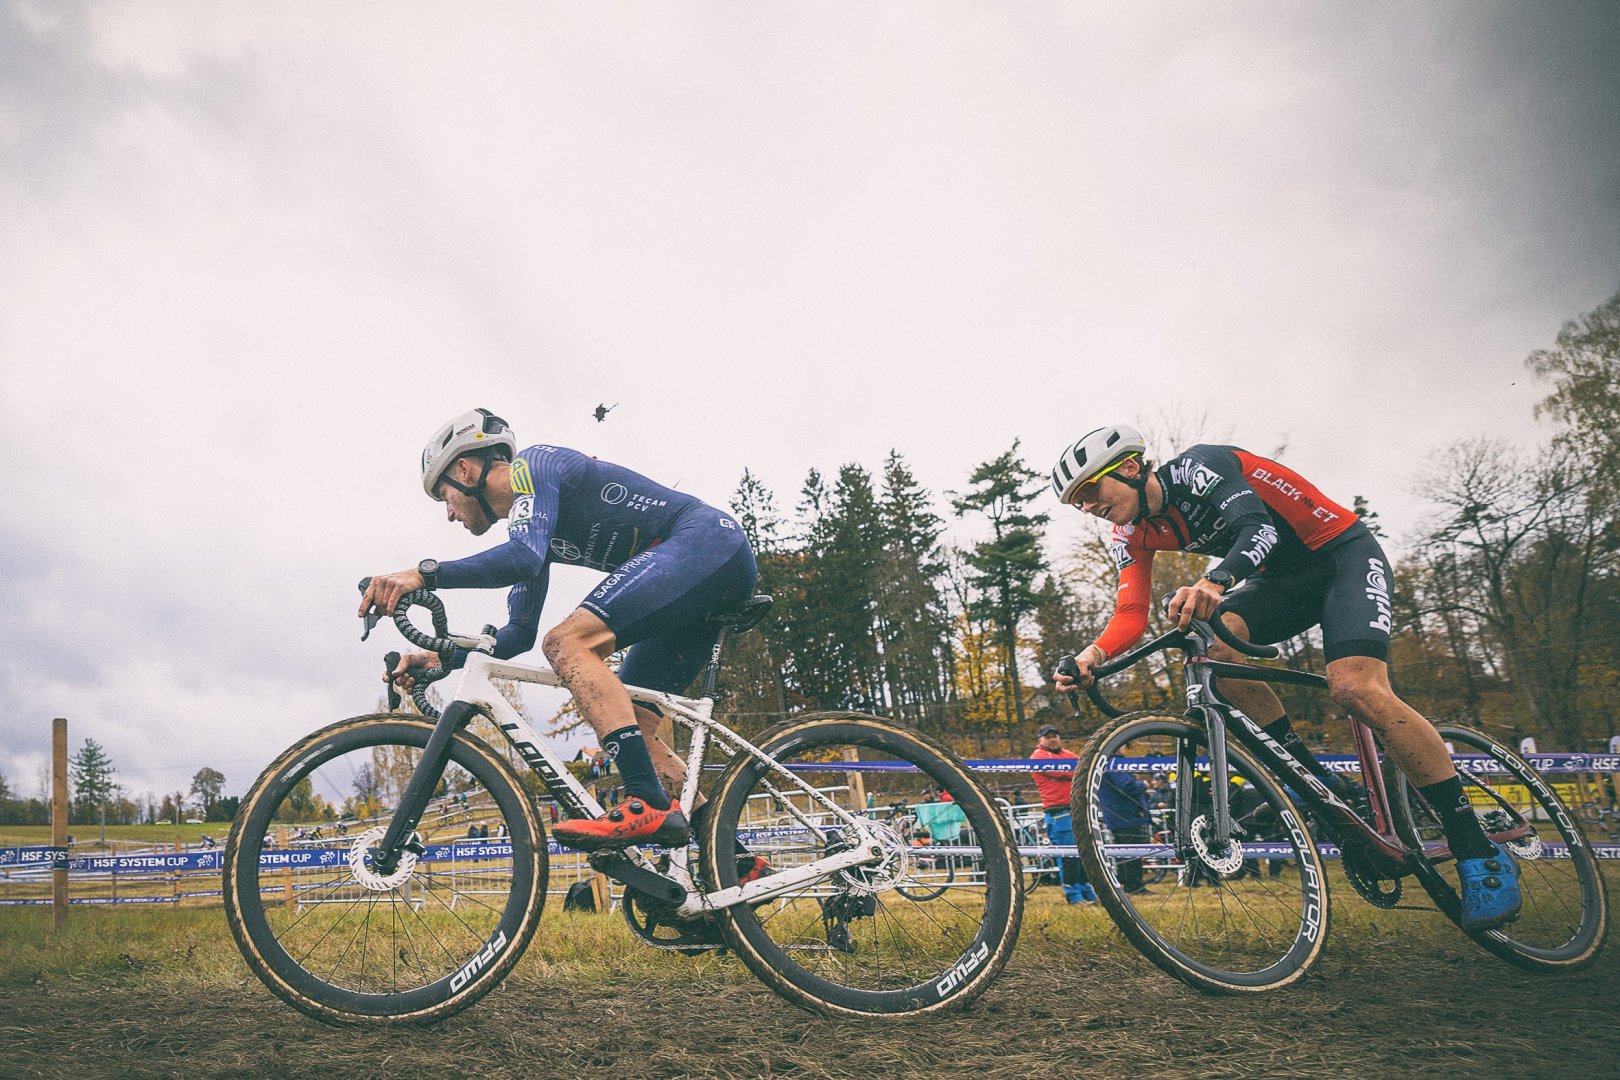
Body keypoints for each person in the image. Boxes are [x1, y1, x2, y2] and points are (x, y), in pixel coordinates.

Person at [1049, 424, 1519, 930]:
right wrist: (1091, 656)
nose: (1087, 507)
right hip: (1278, 581)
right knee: (1217, 655)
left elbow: (1259, 530)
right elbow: (1131, 612)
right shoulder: (1130, 534)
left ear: (1129, 467)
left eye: (1089, 490)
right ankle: (1321, 784)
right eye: (1077, 503)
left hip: (1342, 557)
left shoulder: (1198, 467)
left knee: (1354, 688)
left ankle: (1475, 845)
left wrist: (1215, 580)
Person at [361, 408, 764, 870]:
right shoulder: (535, 529)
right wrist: (441, 657)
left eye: (445, 498)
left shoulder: (534, 466)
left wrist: (423, 574)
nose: (450, 514)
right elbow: (517, 635)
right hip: (698, 580)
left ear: (465, 470)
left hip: (706, 543)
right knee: (628, 725)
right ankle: (735, 863)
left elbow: (521, 559)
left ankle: (647, 804)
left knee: (567, 643)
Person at [1029, 724, 1097, 904]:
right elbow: (1059, 772)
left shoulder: (1069, 754)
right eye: (1048, 737)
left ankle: (1086, 889)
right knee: (1069, 854)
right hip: (1058, 811)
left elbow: (1086, 767)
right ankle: (1073, 894)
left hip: (1077, 808)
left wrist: (1078, 771)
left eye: (1055, 736)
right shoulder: (1038, 756)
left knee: (1084, 852)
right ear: (1040, 740)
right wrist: (1077, 771)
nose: (1052, 739)